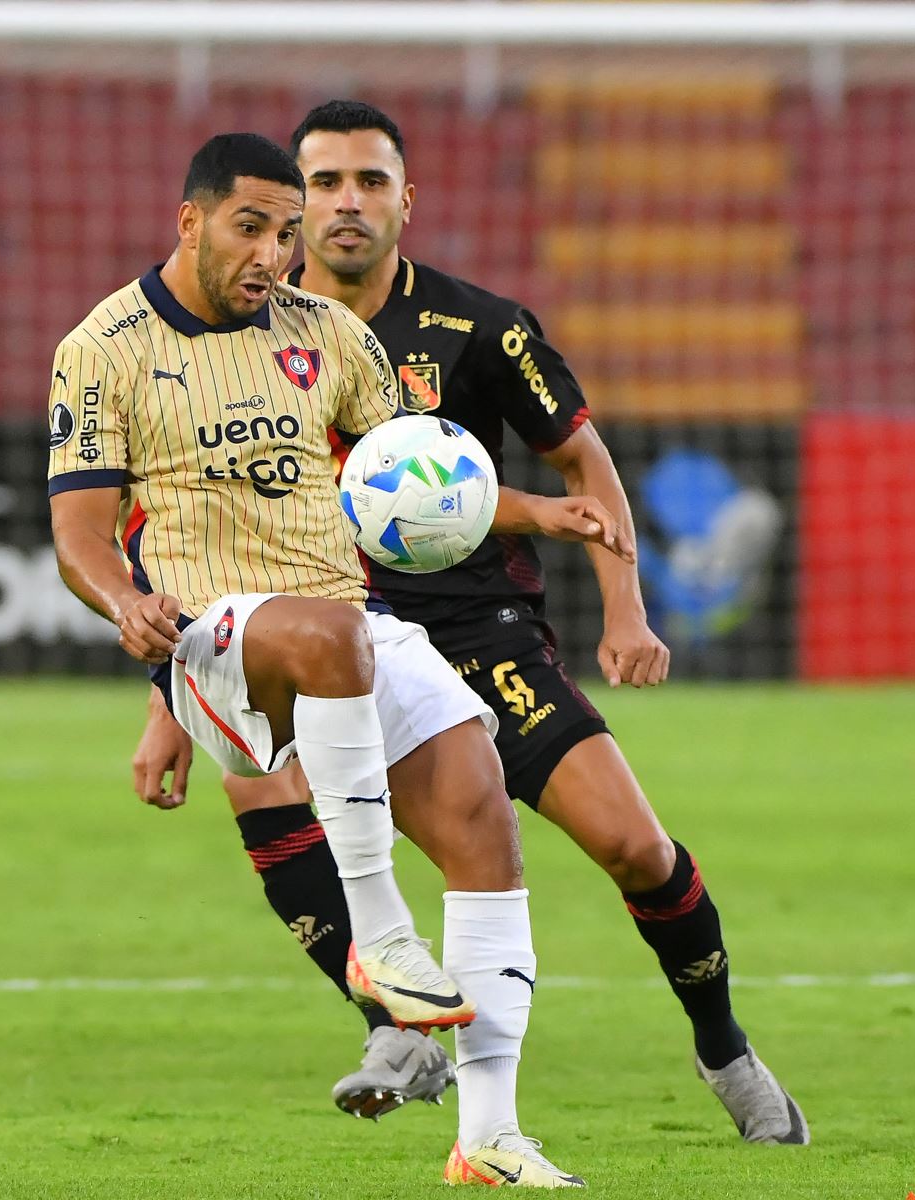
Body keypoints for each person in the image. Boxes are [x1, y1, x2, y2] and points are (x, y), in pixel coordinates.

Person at [130, 105, 809, 1158]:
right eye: (323, 185)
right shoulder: (241, 350)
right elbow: (208, 535)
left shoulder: (480, 327)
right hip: (328, 633)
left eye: (370, 181)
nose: (347, 202)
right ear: (289, 208)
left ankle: (722, 1046)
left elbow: (583, 463)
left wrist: (624, 609)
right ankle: (400, 1029)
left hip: (482, 633)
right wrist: (175, 705)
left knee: (634, 845)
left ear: (408, 200)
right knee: (260, 784)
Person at [50, 131, 588, 1187]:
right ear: (190, 221)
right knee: (331, 632)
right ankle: (380, 940)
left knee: (482, 813)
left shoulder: (330, 333)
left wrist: (520, 511)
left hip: (344, 624)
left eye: (287, 233)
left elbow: (415, 474)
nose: (273, 254)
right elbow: (77, 534)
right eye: (252, 228)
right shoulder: (101, 346)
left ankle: (490, 1137)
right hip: (209, 636)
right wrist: (126, 604)